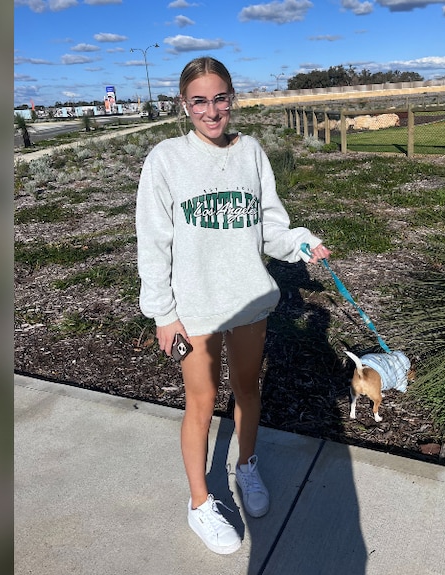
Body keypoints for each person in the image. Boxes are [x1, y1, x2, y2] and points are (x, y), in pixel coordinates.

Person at [135, 56, 331, 555]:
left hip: (247, 299)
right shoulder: (164, 159)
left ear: (232, 98)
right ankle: (200, 502)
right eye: (199, 101)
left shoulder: (252, 152)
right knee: (200, 401)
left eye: (219, 98)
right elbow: (152, 242)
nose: (211, 110)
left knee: (247, 388)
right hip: (192, 309)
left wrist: (301, 244)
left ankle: (246, 467)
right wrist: (163, 313)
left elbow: (271, 225)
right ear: (184, 105)